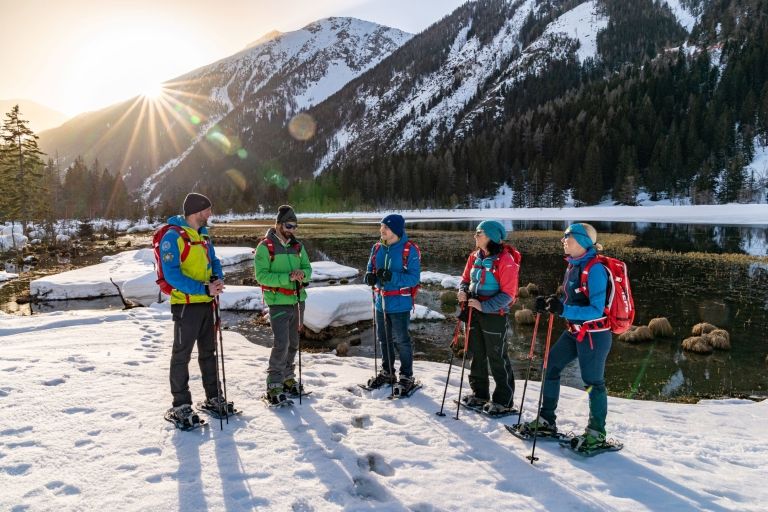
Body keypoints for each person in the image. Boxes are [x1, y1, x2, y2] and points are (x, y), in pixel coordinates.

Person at [526, 222, 612, 451]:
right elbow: (569, 301)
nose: (563, 241)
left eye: (568, 237)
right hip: (574, 332)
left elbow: (596, 309)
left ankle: (596, 433)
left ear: (583, 242)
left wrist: (563, 310)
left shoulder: (594, 269)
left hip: (594, 335)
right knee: (550, 366)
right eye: (564, 237)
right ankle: (546, 421)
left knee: (593, 383)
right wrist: (550, 304)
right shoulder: (572, 266)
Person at [161, 192, 228, 425]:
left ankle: (213, 397)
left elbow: (215, 261)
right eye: (208, 210)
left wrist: (217, 279)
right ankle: (181, 405)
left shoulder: (204, 236)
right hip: (186, 306)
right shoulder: (173, 237)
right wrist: (203, 288)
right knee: (182, 355)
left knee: (209, 353)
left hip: (206, 304)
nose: (210, 214)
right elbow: (172, 275)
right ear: (197, 211)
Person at [457, 220, 520, 415]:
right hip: (474, 312)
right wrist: (462, 291)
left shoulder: (505, 260)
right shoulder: (474, 256)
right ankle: (480, 394)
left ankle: (503, 401)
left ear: (492, 237)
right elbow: (466, 280)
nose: (475, 235)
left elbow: (509, 294)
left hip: (494, 315)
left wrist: (484, 306)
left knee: (497, 356)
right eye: (476, 232)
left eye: (479, 233)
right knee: (476, 353)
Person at [255, 205, 312, 405]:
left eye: (295, 226)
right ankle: (274, 382)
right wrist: (288, 278)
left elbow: (308, 269)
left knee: (294, 343)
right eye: (289, 225)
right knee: (282, 343)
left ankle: (288, 377)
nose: (292, 230)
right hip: (278, 302)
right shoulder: (265, 247)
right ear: (278, 225)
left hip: (298, 301)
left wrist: (302, 274)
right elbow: (261, 276)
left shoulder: (298, 247)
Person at [363, 214, 421, 396]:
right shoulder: (377, 247)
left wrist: (392, 277)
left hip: (400, 304)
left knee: (402, 341)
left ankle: (406, 377)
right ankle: (387, 373)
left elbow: (414, 278)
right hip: (381, 302)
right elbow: (369, 269)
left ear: (395, 230)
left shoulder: (409, 250)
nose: (382, 230)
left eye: (385, 227)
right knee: (383, 338)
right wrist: (369, 277)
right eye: (381, 226)